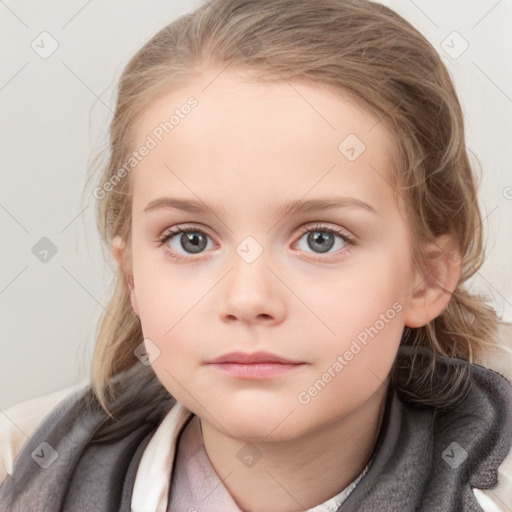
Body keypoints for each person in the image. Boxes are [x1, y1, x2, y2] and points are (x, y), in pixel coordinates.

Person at [1, 0, 511, 510]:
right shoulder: (22, 475)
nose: (248, 299)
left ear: (426, 278)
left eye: (321, 239)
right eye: (190, 239)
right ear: (132, 274)